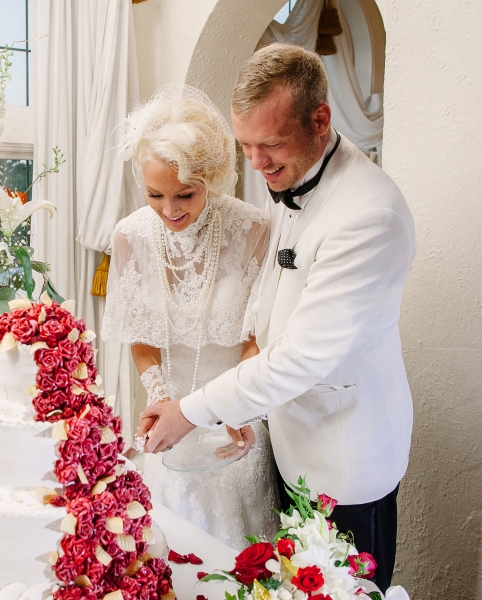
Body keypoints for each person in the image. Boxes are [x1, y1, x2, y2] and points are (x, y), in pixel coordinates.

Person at [138, 45, 416, 592]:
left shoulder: (369, 216)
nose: (257, 161)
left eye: (270, 144)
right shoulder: (290, 177)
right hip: (290, 447)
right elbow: (270, 304)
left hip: (345, 465)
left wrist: (190, 411)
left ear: (320, 120)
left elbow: (301, 358)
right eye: (245, 145)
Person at [101, 84, 279, 550]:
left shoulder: (254, 229)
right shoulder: (129, 237)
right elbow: (142, 338)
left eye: (185, 194)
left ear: (212, 179)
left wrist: (235, 406)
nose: (169, 210)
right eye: (154, 194)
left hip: (235, 426)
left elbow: (256, 337)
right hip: (171, 432)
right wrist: (161, 398)